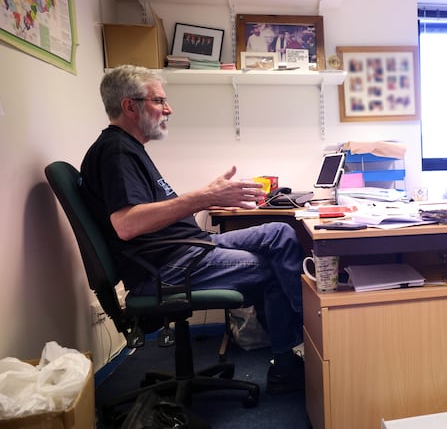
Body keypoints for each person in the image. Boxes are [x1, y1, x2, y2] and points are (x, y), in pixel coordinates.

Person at [80, 65, 305, 394]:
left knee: (281, 233)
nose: (168, 109)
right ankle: (290, 361)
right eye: (159, 101)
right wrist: (204, 197)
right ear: (130, 106)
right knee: (274, 270)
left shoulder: (129, 148)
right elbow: (127, 225)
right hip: (167, 267)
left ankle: (307, 332)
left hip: (190, 247)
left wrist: (206, 194)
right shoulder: (116, 152)